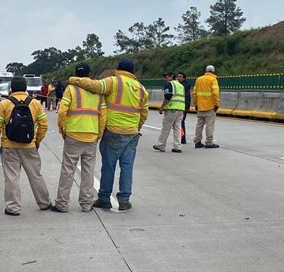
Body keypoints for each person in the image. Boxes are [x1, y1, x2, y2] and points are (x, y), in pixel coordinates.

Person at [68, 59, 148, 211]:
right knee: (127, 167)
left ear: (118, 69)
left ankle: (104, 198)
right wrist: (137, 127)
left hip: (113, 131)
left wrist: (73, 79)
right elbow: (144, 112)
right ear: (133, 72)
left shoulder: (113, 82)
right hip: (132, 133)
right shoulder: (141, 88)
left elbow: (94, 85)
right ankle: (124, 200)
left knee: (109, 166)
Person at [0, 76, 51, 216]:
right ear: (25, 88)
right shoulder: (35, 103)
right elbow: (43, 125)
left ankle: (13, 207)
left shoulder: (4, 104)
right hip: (29, 146)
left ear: (11, 88)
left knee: (11, 177)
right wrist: (37, 141)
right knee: (35, 175)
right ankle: (44, 202)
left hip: (9, 146)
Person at [51, 64, 106, 213]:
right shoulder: (98, 91)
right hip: (91, 136)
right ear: (90, 74)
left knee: (68, 170)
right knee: (88, 171)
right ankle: (87, 204)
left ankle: (62, 204)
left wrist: (63, 129)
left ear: (76, 75)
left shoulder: (71, 89)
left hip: (73, 135)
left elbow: (62, 111)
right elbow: (103, 116)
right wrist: (99, 134)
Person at [153, 72, 186, 153]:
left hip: (172, 109)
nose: (165, 79)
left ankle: (161, 145)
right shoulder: (180, 85)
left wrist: (161, 107)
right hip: (180, 109)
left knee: (166, 127)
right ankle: (177, 147)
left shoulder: (169, 84)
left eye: (166, 76)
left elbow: (167, 97)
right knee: (177, 128)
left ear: (171, 76)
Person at [193, 65, 220, 148]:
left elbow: (194, 93)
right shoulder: (213, 79)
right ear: (213, 71)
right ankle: (209, 142)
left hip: (200, 106)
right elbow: (215, 93)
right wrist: (217, 104)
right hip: (210, 107)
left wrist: (196, 104)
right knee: (209, 125)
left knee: (199, 125)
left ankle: (197, 142)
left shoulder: (199, 79)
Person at [177, 72, 192, 144]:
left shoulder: (184, 86)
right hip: (180, 106)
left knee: (181, 122)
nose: (178, 78)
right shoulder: (180, 85)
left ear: (184, 78)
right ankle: (180, 137)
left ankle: (183, 138)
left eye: (180, 76)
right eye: (178, 76)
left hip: (183, 106)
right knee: (179, 122)